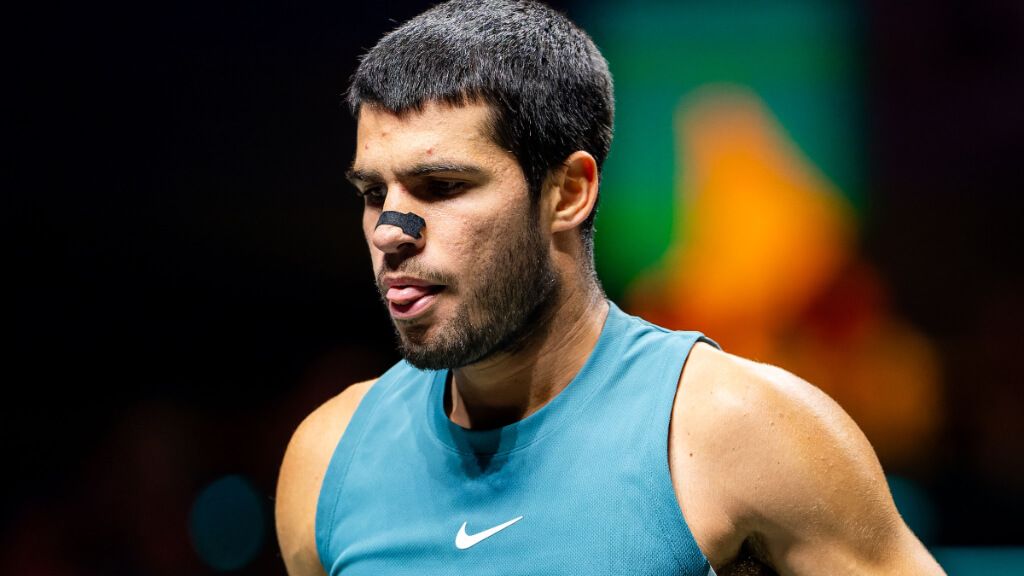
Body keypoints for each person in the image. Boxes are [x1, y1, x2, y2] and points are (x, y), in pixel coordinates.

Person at [275, 1, 945, 574]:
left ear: (568, 193)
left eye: (443, 187)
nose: (391, 231)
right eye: (372, 193)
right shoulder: (327, 460)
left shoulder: (740, 433)